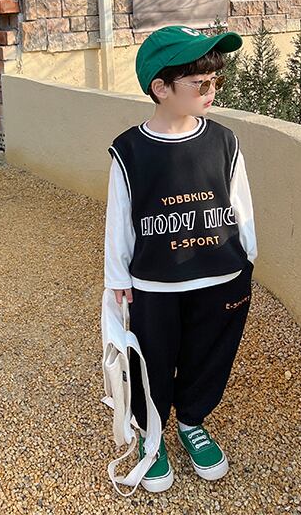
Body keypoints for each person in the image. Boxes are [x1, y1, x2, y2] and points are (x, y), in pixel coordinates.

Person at [104, 25, 257, 493]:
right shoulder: (129, 150)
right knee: (150, 361)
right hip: (155, 285)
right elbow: (119, 218)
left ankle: (192, 420)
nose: (212, 90)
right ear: (161, 88)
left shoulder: (224, 140)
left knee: (209, 356)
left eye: (216, 79)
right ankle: (151, 432)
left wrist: (247, 261)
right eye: (200, 82)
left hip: (221, 278)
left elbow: (240, 204)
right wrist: (118, 277)